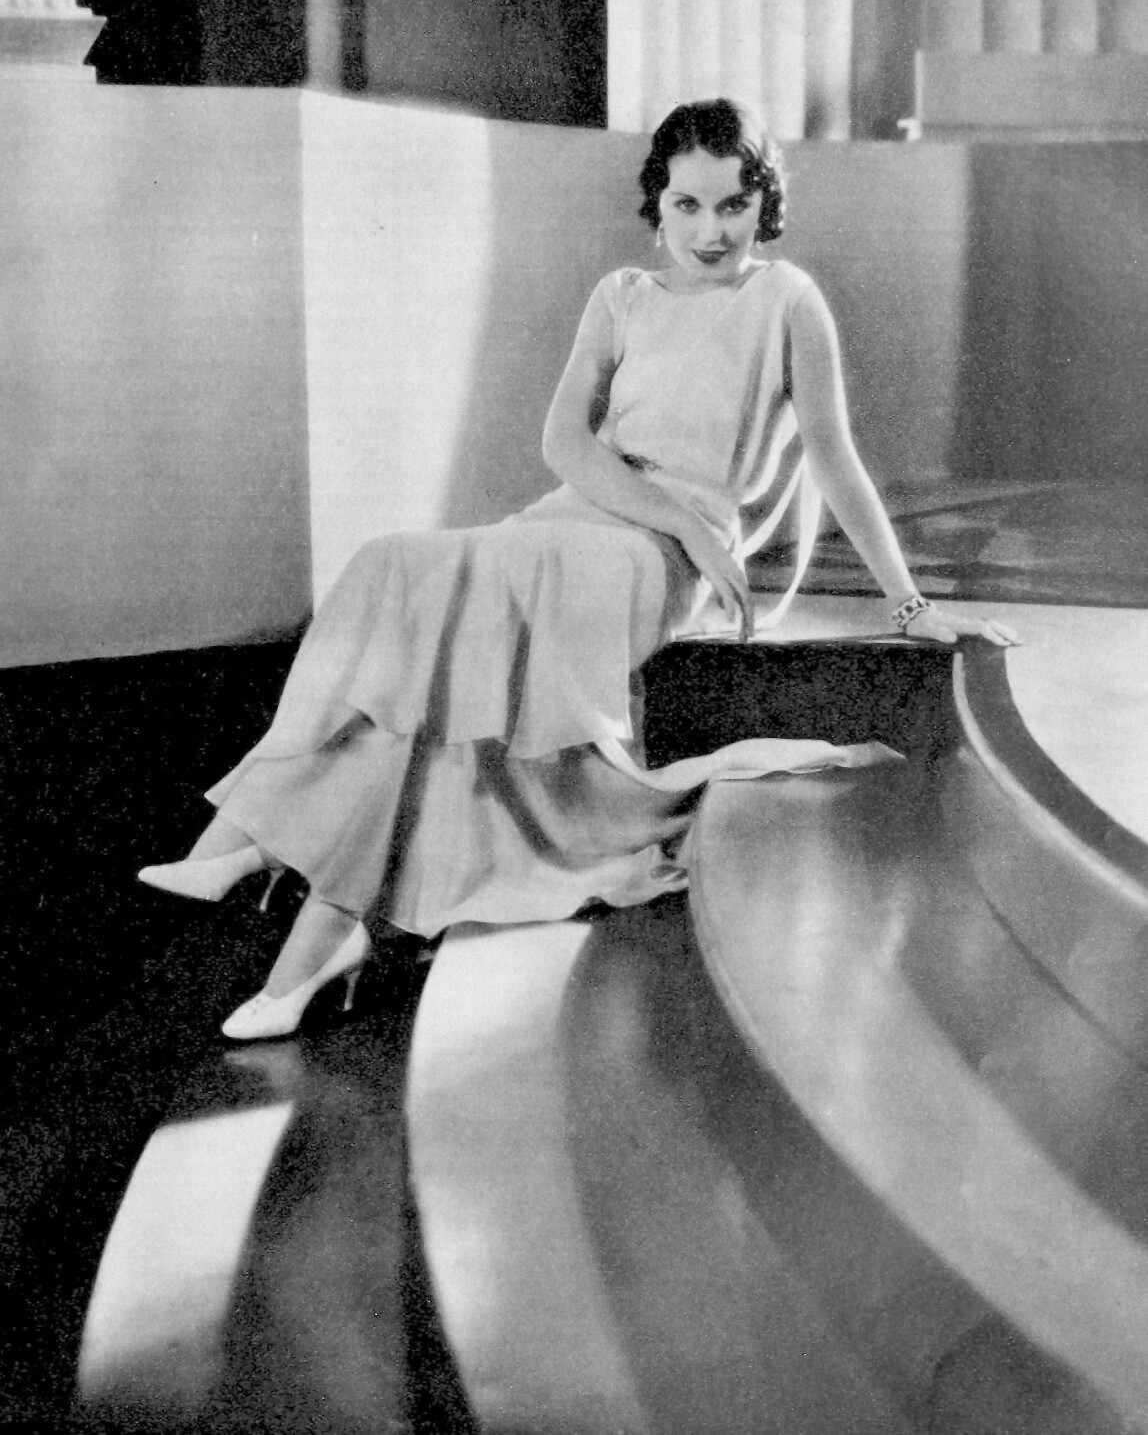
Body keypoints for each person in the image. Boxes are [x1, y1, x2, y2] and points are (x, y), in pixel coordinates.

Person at [139, 98, 1016, 1040]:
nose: (710, 231)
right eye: (686, 205)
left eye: (733, 205)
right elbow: (565, 444)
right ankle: (319, 921)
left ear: (765, 203)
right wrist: (684, 522)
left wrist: (909, 605)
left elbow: (836, 458)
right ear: (657, 204)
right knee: (391, 564)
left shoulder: (788, 300)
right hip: (577, 523)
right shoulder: (622, 295)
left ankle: (265, 847)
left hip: (648, 561)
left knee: (467, 611)